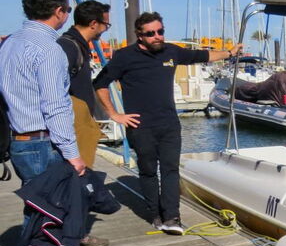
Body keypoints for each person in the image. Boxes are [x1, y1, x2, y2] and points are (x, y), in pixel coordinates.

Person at [93, 12, 242, 233]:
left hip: (169, 124)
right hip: (139, 126)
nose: (157, 36)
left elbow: (202, 55)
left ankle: (172, 217)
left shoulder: (171, 51)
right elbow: (100, 83)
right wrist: (115, 115)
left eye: (160, 31)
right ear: (140, 35)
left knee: (171, 170)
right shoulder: (124, 56)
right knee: (149, 171)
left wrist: (229, 52)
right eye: (150, 33)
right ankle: (155, 213)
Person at [0, 0, 89, 246]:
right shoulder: (49, 49)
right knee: (48, 215)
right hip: (42, 142)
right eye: (66, 9)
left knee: (36, 212)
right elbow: (55, 106)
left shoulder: (9, 43)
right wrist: (73, 155)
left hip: (20, 140)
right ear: (59, 11)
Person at [56, 0, 111, 246]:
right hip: (72, 128)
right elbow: (56, 91)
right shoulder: (68, 47)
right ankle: (70, 240)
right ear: (93, 23)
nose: (104, 30)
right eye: (105, 25)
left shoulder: (77, 45)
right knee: (74, 185)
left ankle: (73, 236)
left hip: (79, 125)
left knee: (77, 184)